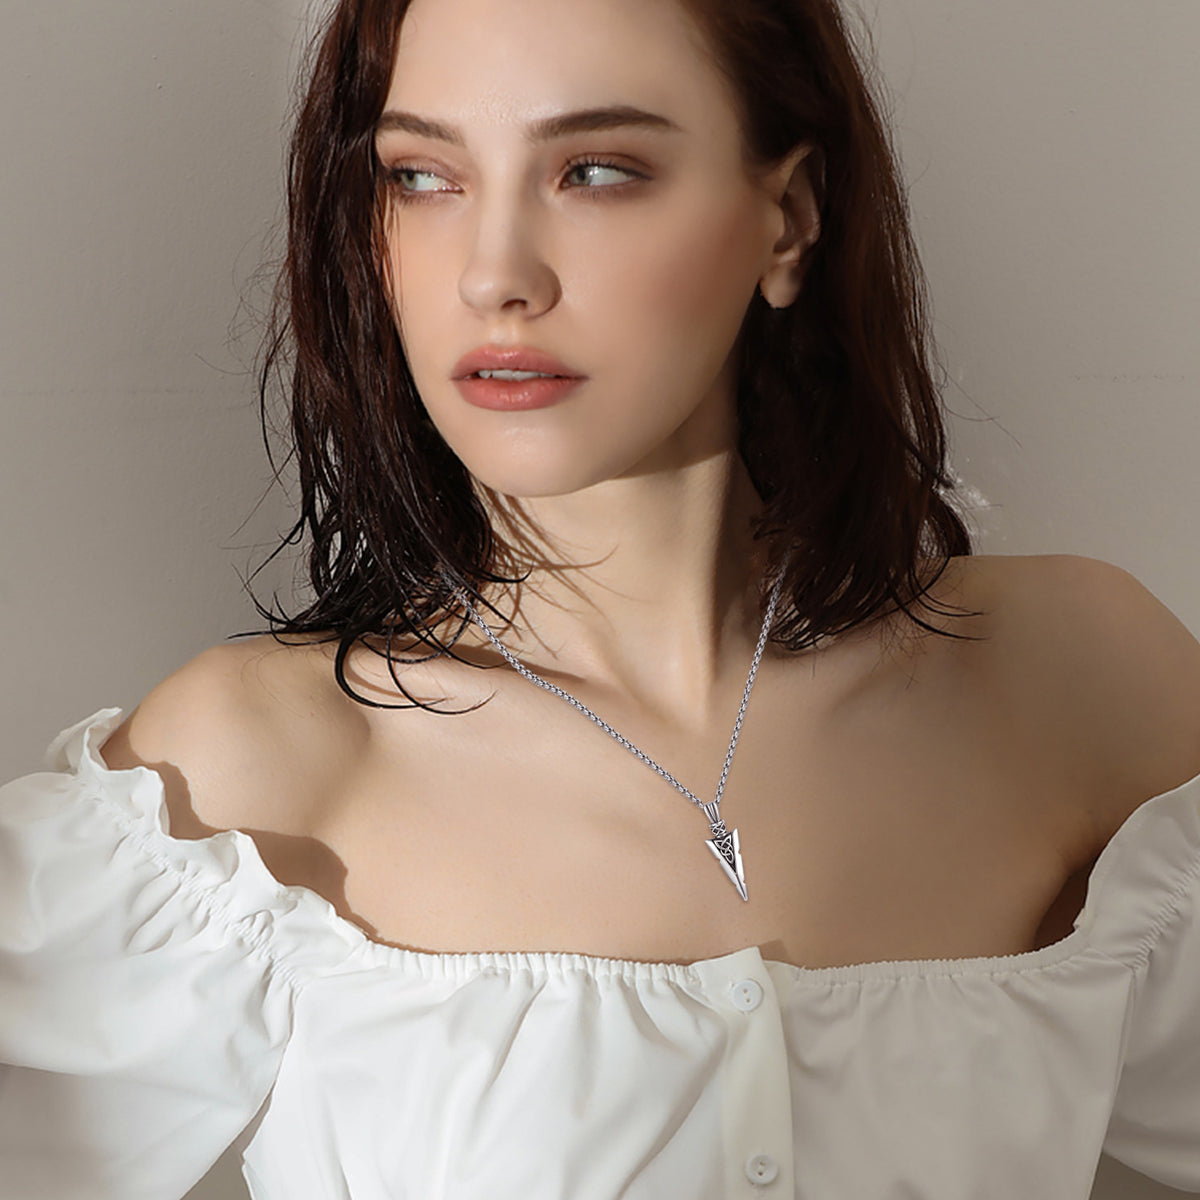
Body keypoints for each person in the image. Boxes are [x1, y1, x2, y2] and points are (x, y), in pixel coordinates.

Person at [2, 0, 1198, 1196]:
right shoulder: (240, 785)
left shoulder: (1081, 685)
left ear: (788, 218)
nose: (494, 274)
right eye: (422, 177)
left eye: (596, 170)